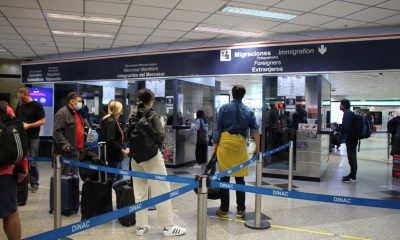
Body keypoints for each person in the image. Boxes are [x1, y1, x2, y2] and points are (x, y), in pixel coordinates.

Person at [128, 88, 186, 237]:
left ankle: (140, 226)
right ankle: (168, 226)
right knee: (162, 189)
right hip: (152, 157)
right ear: (150, 100)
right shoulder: (152, 113)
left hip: (135, 157)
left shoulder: (132, 114)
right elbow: (160, 135)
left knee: (140, 192)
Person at [212, 85, 260, 219]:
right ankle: (241, 210)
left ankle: (224, 209)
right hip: (240, 145)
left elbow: (218, 129)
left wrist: (214, 146)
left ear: (232, 94)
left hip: (225, 144)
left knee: (224, 178)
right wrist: (257, 147)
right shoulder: (249, 111)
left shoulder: (224, 108)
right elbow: (256, 131)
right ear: (243, 95)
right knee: (240, 179)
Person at [0, 102, 28, 240]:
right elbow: (17, 137)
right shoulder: (5, 108)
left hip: (4, 173)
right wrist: (22, 166)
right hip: (4, 173)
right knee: (10, 213)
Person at [15, 87, 46, 193]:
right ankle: (23, 182)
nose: (21, 100)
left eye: (22, 98)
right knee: (21, 160)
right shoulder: (20, 105)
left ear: (27, 95)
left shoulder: (37, 106)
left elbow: (42, 121)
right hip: (21, 137)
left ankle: (34, 183)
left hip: (33, 138)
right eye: (20, 99)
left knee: (33, 162)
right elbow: (16, 118)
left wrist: (29, 125)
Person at [53, 92, 85, 175]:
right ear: (72, 101)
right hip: (67, 152)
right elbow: (57, 132)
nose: (81, 103)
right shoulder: (62, 113)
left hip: (77, 150)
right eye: (79, 101)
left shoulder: (77, 113)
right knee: (64, 177)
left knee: (74, 176)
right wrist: (65, 145)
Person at [101, 100, 128, 181]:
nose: (122, 111)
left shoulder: (109, 120)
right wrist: (122, 150)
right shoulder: (112, 121)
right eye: (121, 109)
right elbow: (111, 140)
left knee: (118, 179)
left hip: (115, 156)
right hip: (114, 156)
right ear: (118, 111)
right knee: (113, 179)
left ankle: (119, 193)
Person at [337, 99, 358, 183]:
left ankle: (353, 176)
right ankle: (352, 174)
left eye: (340, 104)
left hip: (351, 138)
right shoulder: (350, 113)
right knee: (352, 157)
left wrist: (337, 128)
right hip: (353, 137)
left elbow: (346, 127)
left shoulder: (347, 113)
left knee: (351, 157)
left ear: (344, 105)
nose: (339, 106)